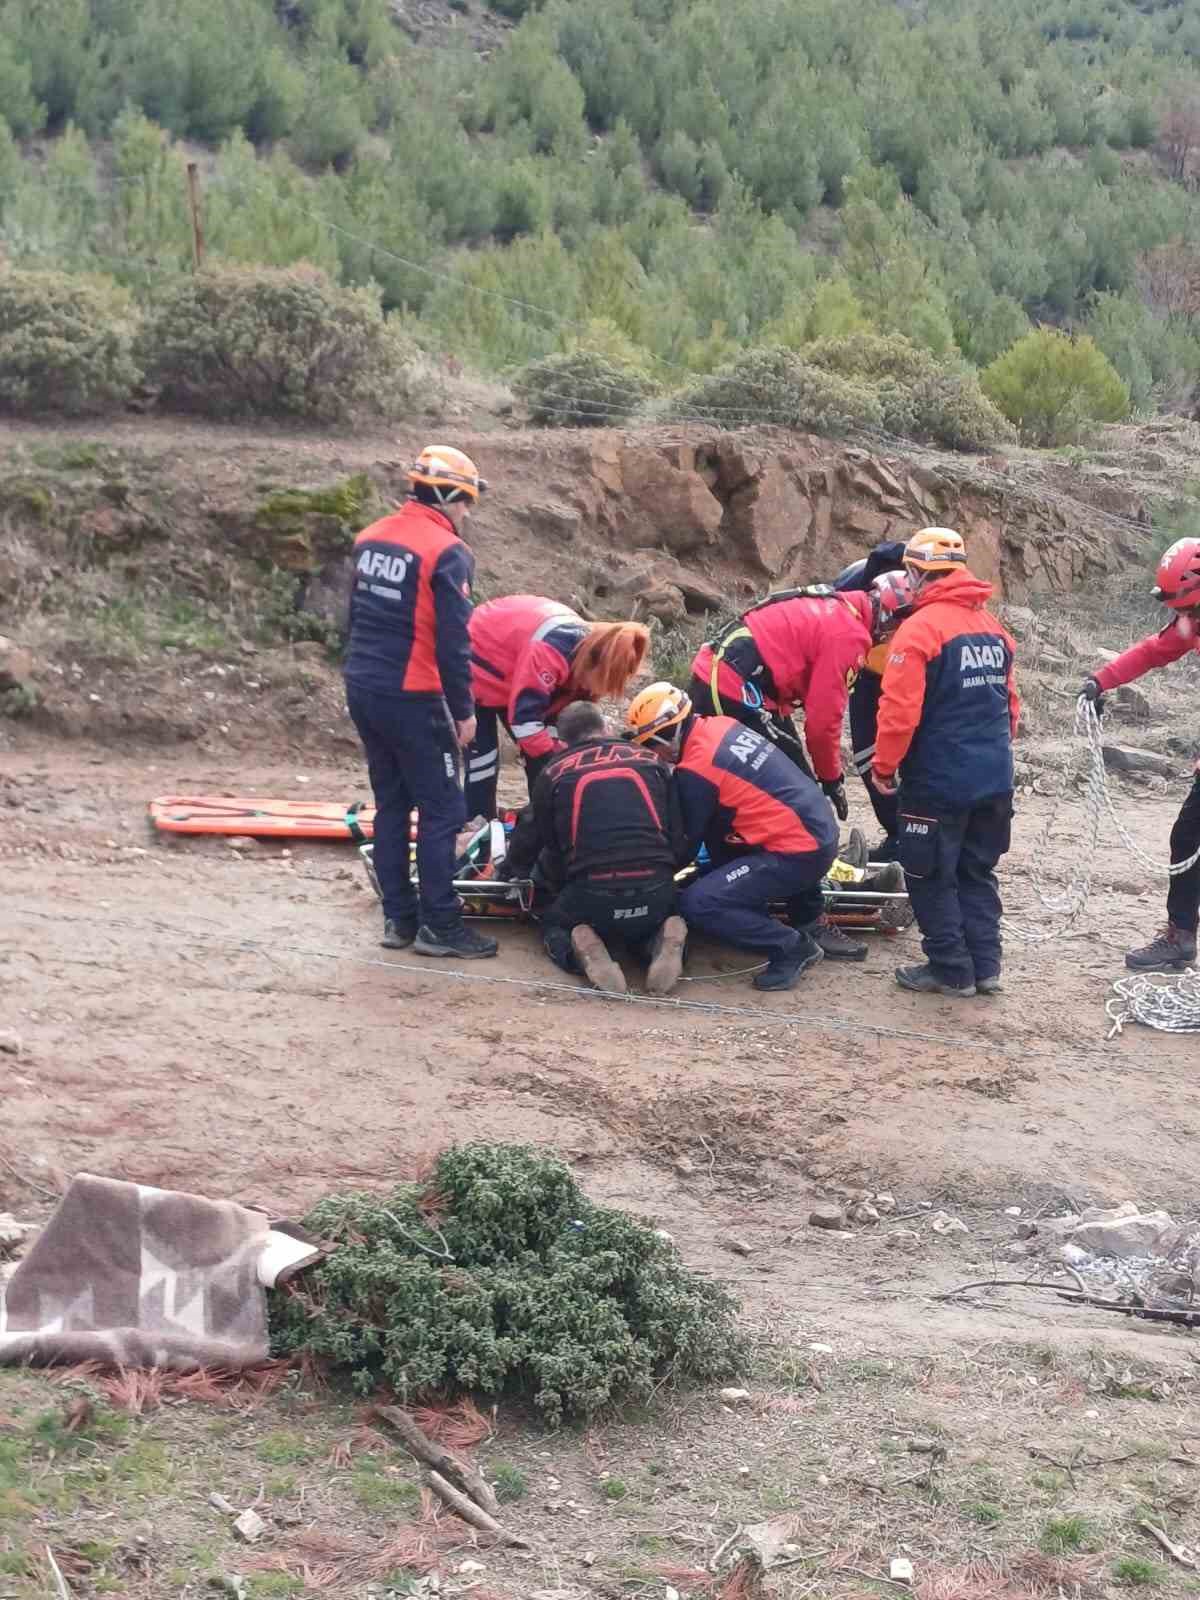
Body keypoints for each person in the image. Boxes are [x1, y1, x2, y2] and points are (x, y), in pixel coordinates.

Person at [343, 444, 497, 960]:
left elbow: (353, 616)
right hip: (414, 695)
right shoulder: (447, 551)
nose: (466, 513)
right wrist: (465, 712)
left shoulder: (370, 538)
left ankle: (399, 920)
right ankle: (441, 926)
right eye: (466, 502)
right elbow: (455, 642)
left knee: (391, 803)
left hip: (363, 686)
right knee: (442, 810)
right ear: (450, 493)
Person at [871, 528, 1019, 998]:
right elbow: (1010, 707)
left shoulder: (918, 631)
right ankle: (986, 967)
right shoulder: (995, 630)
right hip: (994, 775)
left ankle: (951, 969)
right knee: (977, 870)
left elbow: (898, 713)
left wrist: (883, 767)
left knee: (929, 871)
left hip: (939, 778)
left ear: (916, 572)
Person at [626, 683, 838, 992]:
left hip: (797, 850)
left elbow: (684, 845)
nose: (653, 754)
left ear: (668, 735)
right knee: (714, 855)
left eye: (651, 745)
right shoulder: (719, 725)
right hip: (812, 827)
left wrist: (646, 881)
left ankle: (791, 946)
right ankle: (758, 908)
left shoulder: (697, 769)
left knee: (699, 903)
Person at [505, 701, 688, 996]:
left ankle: (580, 952)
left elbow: (540, 839)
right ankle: (659, 943)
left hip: (592, 894)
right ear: (605, 727)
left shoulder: (553, 772)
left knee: (553, 922)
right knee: (647, 923)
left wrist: (514, 872)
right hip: (656, 889)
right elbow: (677, 833)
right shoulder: (652, 762)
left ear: (562, 742)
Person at [1080, 536, 1200, 971]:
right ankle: (1180, 935)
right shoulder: (1193, 621)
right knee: (1187, 839)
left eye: (1183, 605)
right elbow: (1153, 651)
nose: (1179, 615)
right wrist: (1101, 680)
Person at [465, 596, 649, 819]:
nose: (599, 692)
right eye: (601, 684)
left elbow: (561, 722)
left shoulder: (587, 656)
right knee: (483, 761)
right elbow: (526, 724)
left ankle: (543, 822)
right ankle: (480, 826)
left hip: (514, 667)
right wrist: (559, 760)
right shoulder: (550, 652)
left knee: (544, 759)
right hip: (475, 662)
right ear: (592, 664)